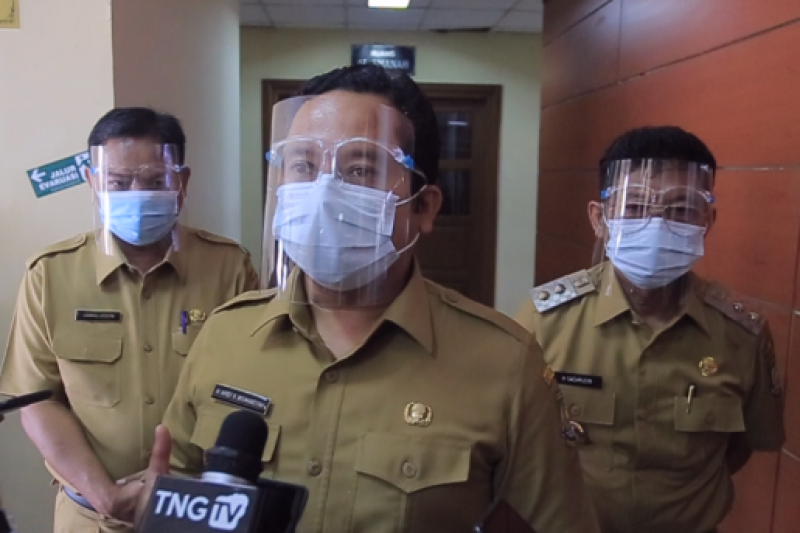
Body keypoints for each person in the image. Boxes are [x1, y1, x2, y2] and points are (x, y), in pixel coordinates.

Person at [129, 64, 599, 533]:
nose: (323, 191)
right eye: (303, 165)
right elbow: (176, 494)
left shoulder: (503, 365)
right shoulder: (226, 335)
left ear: (423, 206)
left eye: (360, 168)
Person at [0, 107, 260, 533]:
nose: (136, 194)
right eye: (118, 183)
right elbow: (37, 400)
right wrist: (104, 494)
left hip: (197, 512)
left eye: (155, 181)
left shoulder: (229, 268)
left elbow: (248, 391)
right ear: (92, 183)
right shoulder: (49, 274)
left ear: (182, 182)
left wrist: (180, 487)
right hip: (89, 514)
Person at [515, 126, 785, 533]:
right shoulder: (545, 321)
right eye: (635, 205)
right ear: (599, 218)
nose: (656, 225)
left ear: (707, 221)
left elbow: (743, 446)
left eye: (681, 209)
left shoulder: (741, 336)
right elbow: (512, 441)